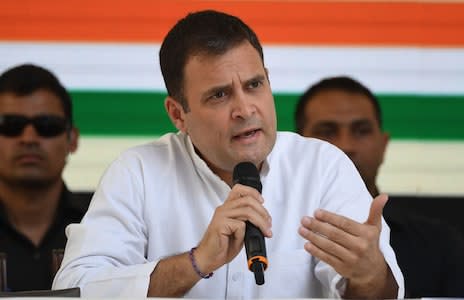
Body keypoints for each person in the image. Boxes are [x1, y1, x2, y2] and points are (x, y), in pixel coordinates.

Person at [53, 10, 405, 298]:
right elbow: (74, 289)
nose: (245, 109)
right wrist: (196, 261)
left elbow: (377, 293)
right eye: (219, 95)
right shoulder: (138, 172)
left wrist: (370, 276)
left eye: (254, 85)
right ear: (178, 114)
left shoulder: (322, 167)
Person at [295, 75, 464, 298]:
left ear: (383, 145)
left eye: (361, 130)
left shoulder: (440, 246)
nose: (346, 145)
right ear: (299, 147)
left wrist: (374, 279)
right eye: (327, 131)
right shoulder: (265, 235)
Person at [0, 64, 91, 292]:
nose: (29, 138)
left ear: (72, 139)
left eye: (47, 126)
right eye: (11, 126)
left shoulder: (111, 222)